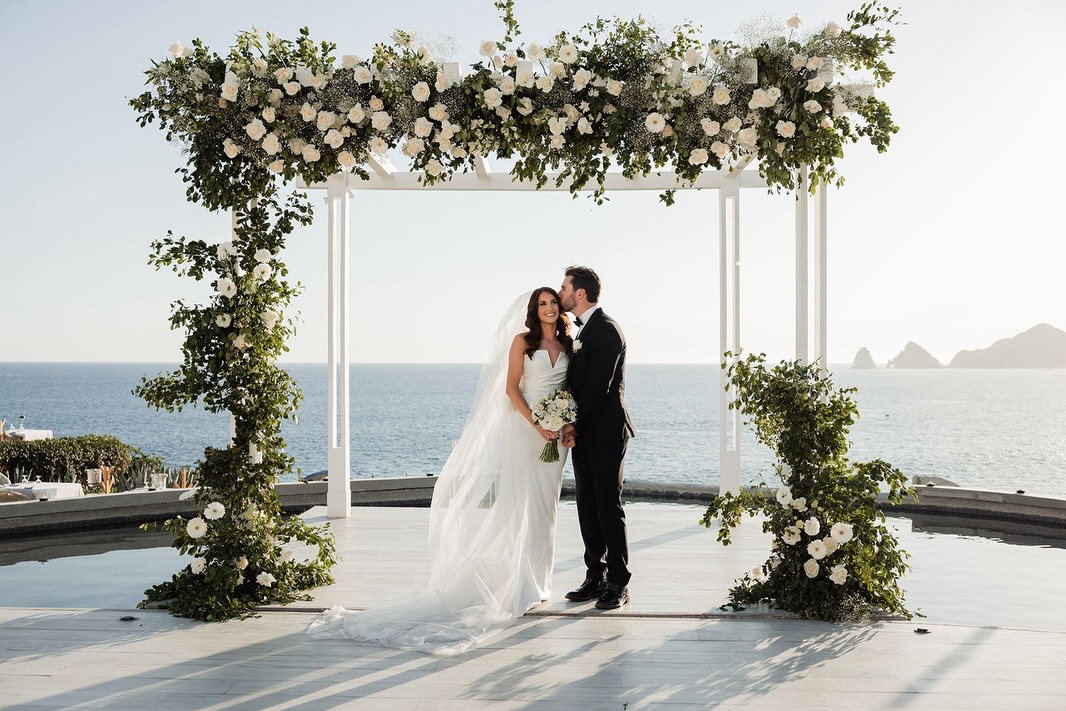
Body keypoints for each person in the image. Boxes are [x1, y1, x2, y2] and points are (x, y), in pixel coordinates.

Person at [307, 288, 572, 655]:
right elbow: (511, 390)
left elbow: (569, 389)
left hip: (557, 438)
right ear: (534, 310)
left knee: (547, 507)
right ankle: (520, 585)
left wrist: (563, 425)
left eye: (553, 302)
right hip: (528, 433)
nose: (549, 307)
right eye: (542, 303)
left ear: (560, 309)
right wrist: (536, 423)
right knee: (520, 503)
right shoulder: (521, 342)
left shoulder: (568, 344)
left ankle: (540, 581)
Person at [558, 265, 636, 610]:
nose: (560, 294)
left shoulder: (606, 329)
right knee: (587, 506)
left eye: (564, 288)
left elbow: (597, 389)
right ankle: (595, 576)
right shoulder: (583, 331)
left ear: (579, 294)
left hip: (605, 432)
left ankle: (619, 582)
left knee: (608, 506)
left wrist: (571, 423)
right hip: (585, 432)